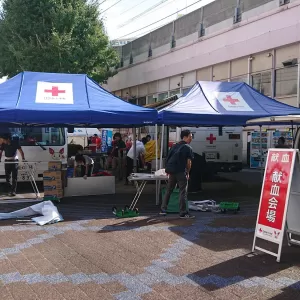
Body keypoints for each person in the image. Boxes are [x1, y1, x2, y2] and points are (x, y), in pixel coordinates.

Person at [160, 129, 195, 219]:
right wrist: (188, 172)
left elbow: (168, 158)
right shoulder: (188, 147)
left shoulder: (174, 146)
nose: (191, 138)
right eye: (190, 136)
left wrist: (168, 170)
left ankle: (163, 209)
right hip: (180, 171)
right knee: (183, 192)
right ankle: (183, 212)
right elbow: (189, 162)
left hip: (171, 171)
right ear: (185, 137)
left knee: (169, 190)